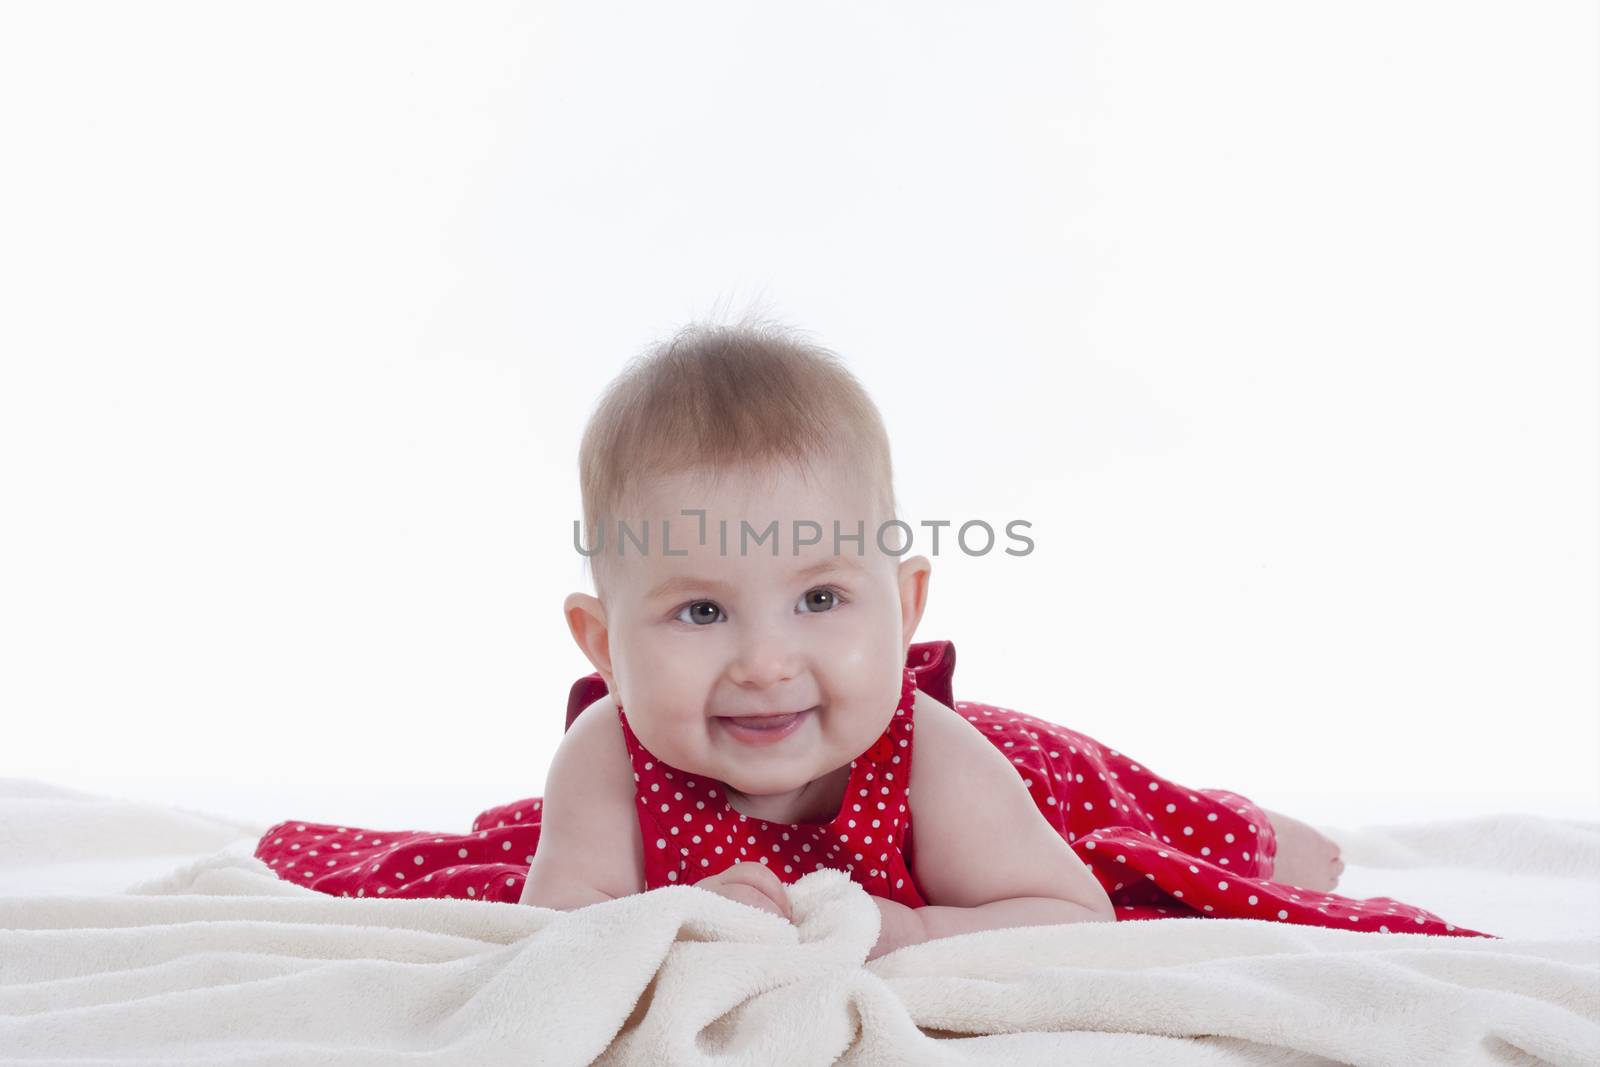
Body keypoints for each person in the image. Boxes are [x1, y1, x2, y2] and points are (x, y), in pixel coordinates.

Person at [255, 318, 1491, 956]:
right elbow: (561, 921)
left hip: (1032, 793)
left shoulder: (935, 755)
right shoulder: (604, 764)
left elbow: (1067, 916)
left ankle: (1279, 829)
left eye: (820, 599)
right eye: (697, 611)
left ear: (902, 611)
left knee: (1164, 843)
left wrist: (905, 929)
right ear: (599, 641)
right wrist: (677, 920)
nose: (764, 659)